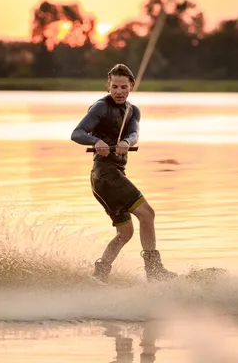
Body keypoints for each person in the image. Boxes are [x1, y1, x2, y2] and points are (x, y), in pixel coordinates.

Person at [70, 63, 177, 283]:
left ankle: (100, 273)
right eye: (115, 87)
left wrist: (127, 142)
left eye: (123, 87)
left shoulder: (132, 111)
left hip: (108, 179)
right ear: (108, 85)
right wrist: (95, 140)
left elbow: (134, 133)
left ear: (131, 86)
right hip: (105, 175)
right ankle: (154, 270)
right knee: (147, 214)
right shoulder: (100, 107)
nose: (119, 91)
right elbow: (76, 133)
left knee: (125, 233)